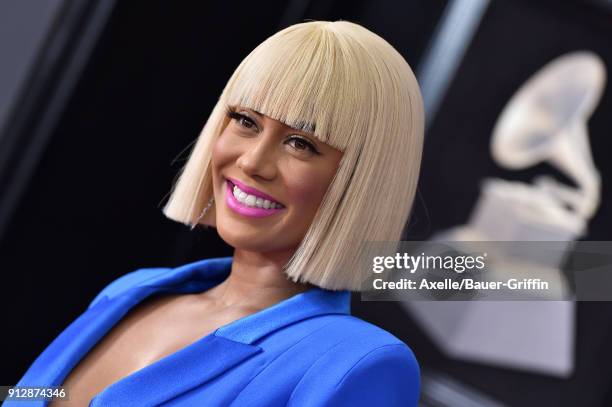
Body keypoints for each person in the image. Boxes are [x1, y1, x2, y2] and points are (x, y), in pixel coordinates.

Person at [7, 20, 424, 406]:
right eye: (246, 120)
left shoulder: (356, 364)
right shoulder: (131, 292)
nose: (252, 161)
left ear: (362, 178)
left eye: (301, 143)